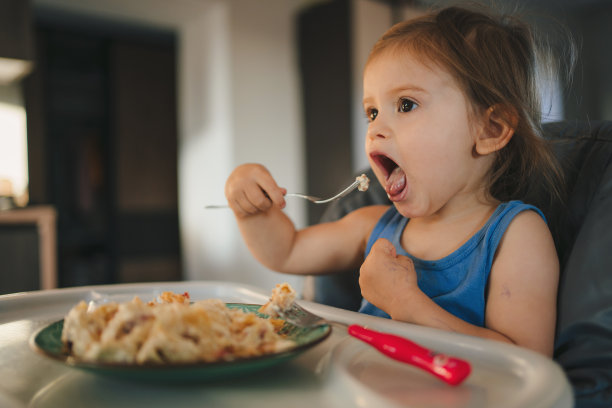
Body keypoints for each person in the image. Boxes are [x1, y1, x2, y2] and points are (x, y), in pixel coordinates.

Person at [224, 4, 565, 357]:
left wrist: (406, 304)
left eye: (405, 105)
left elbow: (527, 361)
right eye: (372, 112)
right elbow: (287, 250)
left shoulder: (515, 235)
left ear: (489, 129)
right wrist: (249, 206)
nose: (375, 130)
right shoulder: (373, 226)